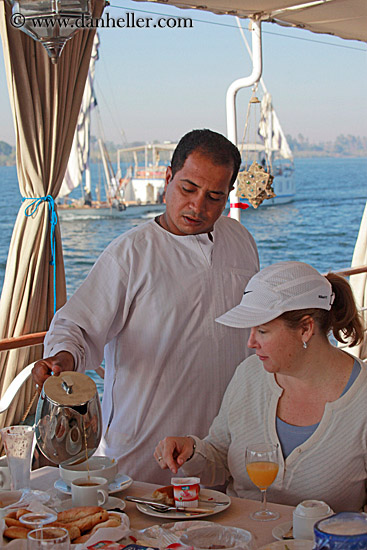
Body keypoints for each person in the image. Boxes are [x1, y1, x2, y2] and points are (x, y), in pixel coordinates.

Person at [32, 129, 259, 484]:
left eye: (214, 196)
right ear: (168, 179)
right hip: (142, 454)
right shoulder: (131, 254)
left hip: (221, 450)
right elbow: (76, 325)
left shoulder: (241, 241)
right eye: (188, 189)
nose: (198, 206)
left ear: (229, 195)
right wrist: (62, 359)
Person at [154, 261, 366, 512]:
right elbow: (221, 457)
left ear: (306, 329)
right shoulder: (249, 374)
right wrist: (191, 451)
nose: (251, 342)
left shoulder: (361, 399)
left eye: (263, 330)